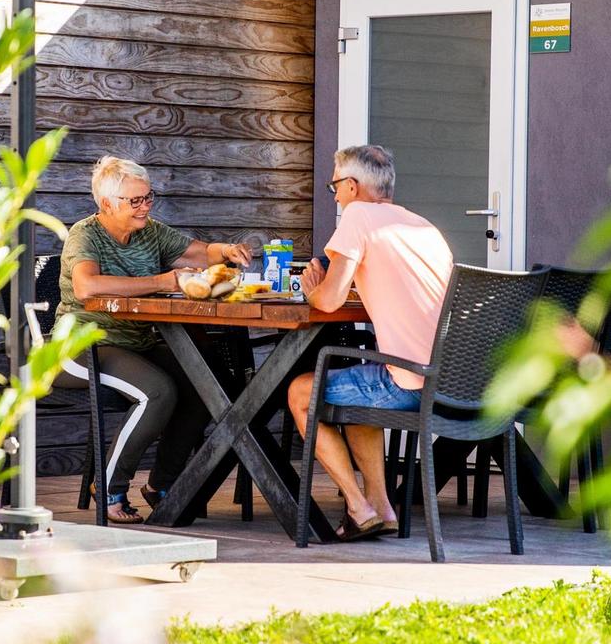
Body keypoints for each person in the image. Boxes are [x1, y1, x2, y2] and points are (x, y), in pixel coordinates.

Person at [55, 155, 253, 524]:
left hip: (134, 342)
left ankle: (163, 486)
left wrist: (225, 250)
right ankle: (110, 487)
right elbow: (87, 286)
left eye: (148, 197)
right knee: (157, 390)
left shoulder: (150, 231)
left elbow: (197, 251)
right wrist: (161, 282)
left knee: (203, 384)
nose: (145, 206)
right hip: (80, 345)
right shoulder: (85, 234)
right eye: (135, 201)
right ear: (107, 204)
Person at [288, 145, 454, 541]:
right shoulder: (421, 226)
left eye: (335, 187)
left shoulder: (358, 215)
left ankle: (358, 507)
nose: (336, 196)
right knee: (360, 385)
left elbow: (329, 301)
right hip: (456, 382)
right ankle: (382, 508)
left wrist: (312, 289)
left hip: (413, 382)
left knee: (300, 391)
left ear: (351, 185)